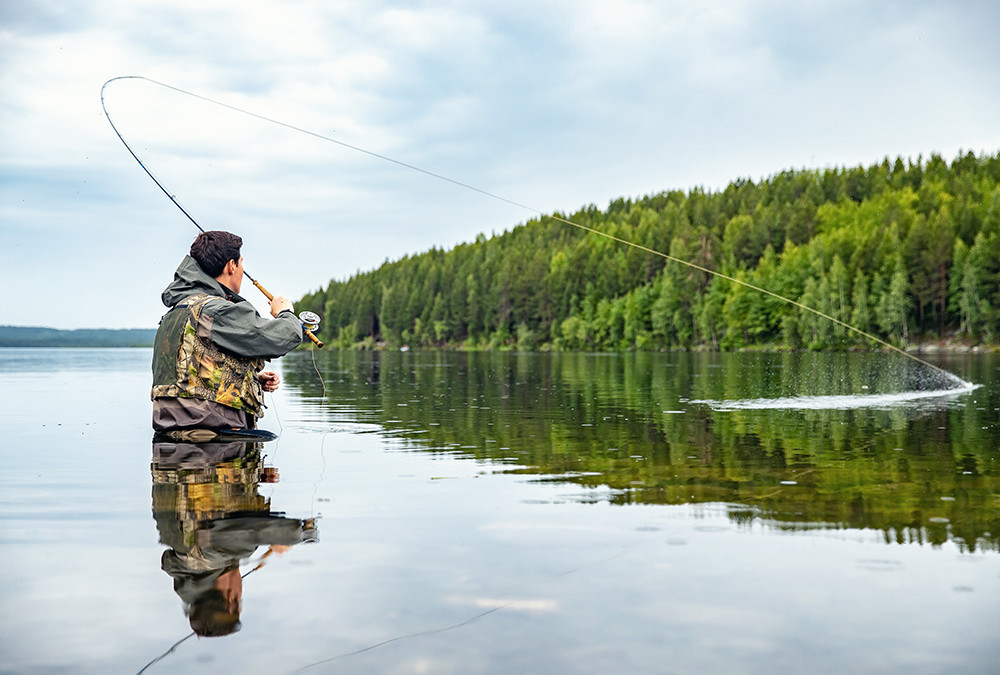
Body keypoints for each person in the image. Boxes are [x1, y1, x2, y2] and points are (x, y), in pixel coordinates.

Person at [151, 230, 302, 437]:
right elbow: (285, 336)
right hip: (213, 442)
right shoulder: (216, 311)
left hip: (172, 441)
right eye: (241, 263)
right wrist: (285, 312)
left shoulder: (177, 311)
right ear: (231, 266)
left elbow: (188, 375)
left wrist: (250, 379)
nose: (241, 269)